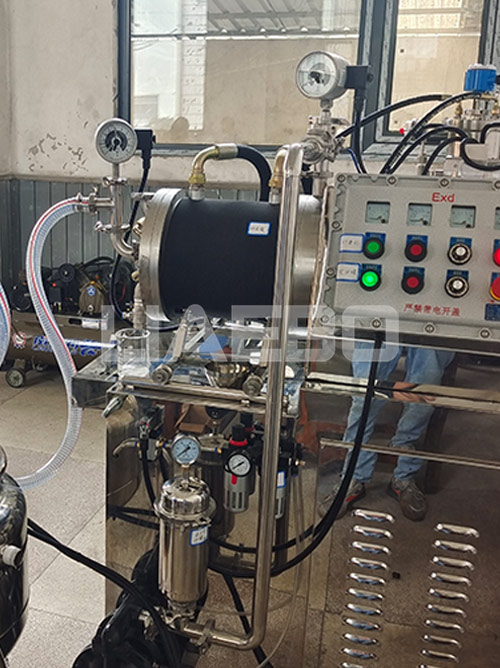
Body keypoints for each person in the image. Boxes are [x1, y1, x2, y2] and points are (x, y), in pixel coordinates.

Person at [319, 344, 455, 521]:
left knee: (423, 396)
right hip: (379, 327)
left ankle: (404, 475)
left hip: (432, 330)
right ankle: (352, 475)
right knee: (364, 395)